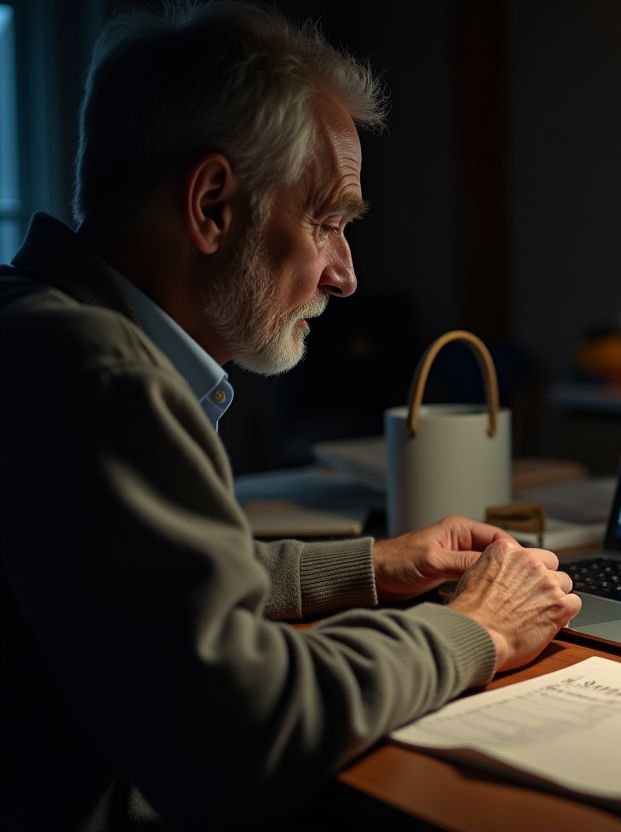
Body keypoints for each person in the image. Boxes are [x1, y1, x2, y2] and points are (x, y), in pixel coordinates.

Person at [0, 3, 581, 830]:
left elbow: (141, 590)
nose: (344, 275)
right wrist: (476, 627)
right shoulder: (100, 378)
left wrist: (369, 566)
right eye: (328, 221)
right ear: (211, 206)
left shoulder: (32, 321)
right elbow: (246, 725)